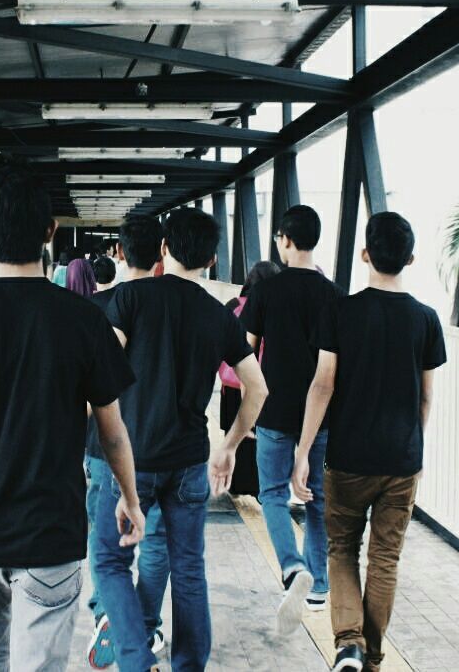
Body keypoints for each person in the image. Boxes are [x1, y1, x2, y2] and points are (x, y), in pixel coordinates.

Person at [0, 167, 146, 671]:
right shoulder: (84, 321)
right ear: (49, 231)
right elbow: (113, 431)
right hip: (50, 533)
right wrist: (129, 497)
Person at [95, 207, 269, 672]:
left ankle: (135, 656)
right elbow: (258, 388)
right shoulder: (221, 317)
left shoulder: (129, 299)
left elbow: (100, 375)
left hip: (133, 458)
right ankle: (189, 664)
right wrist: (229, 445)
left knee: (110, 561)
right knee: (188, 568)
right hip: (190, 460)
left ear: (164, 249)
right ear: (212, 261)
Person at [291, 212, 447, 672]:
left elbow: (323, 385)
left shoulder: (340, 311)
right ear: (411, 259)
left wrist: (302, 453)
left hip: (348, 457)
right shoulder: (426, 319)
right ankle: (372, 660)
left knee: (342, 549)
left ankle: (348, 645)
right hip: (400, 460)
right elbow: (426, 396)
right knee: (385, 558)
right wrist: (413, 449)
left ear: (365, 255)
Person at [241, 206, 341, 635]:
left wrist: (245, 413)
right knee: (317, 499)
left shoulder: (267, 292)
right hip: (321, 417)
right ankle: (318, 585)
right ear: (314, 240)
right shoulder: (334, 295)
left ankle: (291, 565)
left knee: (273, 494)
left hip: (274, 411)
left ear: (284, 239)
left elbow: (244, 351)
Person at [84, 217, 171, 669]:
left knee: (106, 546)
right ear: (162, 250)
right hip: (166, 446)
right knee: (157, 542)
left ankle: (110, 617)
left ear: (118, 251)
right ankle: (144, 621)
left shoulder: (97, 307)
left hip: (105, 447)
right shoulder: (177, 303)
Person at [217, 260, 280, 497]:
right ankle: (256, 484)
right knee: (258, 433)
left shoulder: (233, 304)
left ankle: (234, 483)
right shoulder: (275, 308)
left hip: (231, 382)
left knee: (232, 431)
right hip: (262, 381)